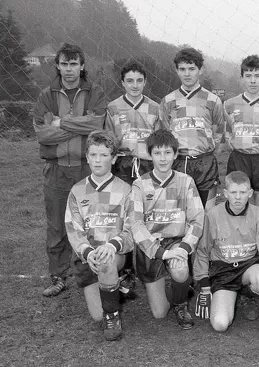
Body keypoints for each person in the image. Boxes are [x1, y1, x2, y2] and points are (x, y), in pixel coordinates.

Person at [33, 43, 107, 297]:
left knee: (92, 224)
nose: (69, 69)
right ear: (57, 65)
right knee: (56, 226)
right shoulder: (47, 95)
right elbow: (43, 134)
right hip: (56, 171)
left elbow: (97, 125)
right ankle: (58, 276)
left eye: (73, 64)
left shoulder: (94, 92)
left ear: (82, 66)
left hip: (87, 170)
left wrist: (62, 121)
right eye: (64, 64)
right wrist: (79, 125)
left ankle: (93, 271)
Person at [129, 130, 204, 330]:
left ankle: (180, 303)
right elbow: (136, 225)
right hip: (151, 248)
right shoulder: (139, 185)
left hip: (176, 242)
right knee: (160, 313)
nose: (163, 158)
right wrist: (162, 253)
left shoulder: (186, 181)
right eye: (157, 153)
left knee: (180, 269)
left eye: (167, 152)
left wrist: (185, 247)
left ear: (175, 153)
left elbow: (197, 219)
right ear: (150, 154)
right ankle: (179, 288)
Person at [193, 171, 259, 332]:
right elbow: (202, 250)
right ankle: (228, 297)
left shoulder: (257, 214)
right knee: (220, 324)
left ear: (250, 193)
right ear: (225, 194)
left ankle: (247, 296)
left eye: (242, 192)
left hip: (248, 267)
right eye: (233, 193)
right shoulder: (213, 215)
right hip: (223, 271)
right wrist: (204, 285)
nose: (238, 197)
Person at [65, 130, 133, 341]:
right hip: (88, 256)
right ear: (87, 157)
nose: (98, 160)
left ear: (113, 159)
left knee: (107, 263)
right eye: (93, 155)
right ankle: (116, 286)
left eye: (104, 155)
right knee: (96, 316)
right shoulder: (77, 190)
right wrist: (87, 252)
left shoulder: (125, 190)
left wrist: (112, 245)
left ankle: (113, 316)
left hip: (116, 253)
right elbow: (73, 229)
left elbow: (132, 229)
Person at [159, 47, 226, 207]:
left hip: (205, 163)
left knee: (207, 214)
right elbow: (164, 134)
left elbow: (219, 134)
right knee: (178, 214)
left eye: (191, 69)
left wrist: (205, 152)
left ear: (200, 70)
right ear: (177, 71)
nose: (187, 74)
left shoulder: (213, 100)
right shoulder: (168, 101)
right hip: (178, 163)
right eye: (182, 69)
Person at [223, 55, 259, 215]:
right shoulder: (229, 105)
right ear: (241, 78)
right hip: (239, 160)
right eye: (248, 76)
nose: (253, 81)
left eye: (257, 76)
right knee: (237, 210)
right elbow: (227, 136)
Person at [105, 59, 160, 185]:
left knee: (147, 202)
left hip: (148, 165)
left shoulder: (155, 108)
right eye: (130, 81)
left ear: (145, 82)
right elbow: (108, 140)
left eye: (139, 80)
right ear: (122, 83)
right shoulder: (113, 107)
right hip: (121, 165)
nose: (135, 85)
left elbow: (160, 142)